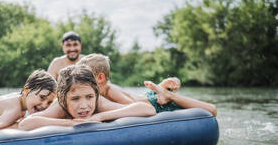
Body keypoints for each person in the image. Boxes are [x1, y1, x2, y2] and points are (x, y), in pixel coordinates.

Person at [18, 65, 156, 131]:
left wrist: (100, 117)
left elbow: (148, 109)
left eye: (89, 97)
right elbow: (25, 123)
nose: (84, 105)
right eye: (75, 99)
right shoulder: (60, 107)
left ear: (96, 94)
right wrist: (72, 123)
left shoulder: (99, 103)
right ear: (62, 98)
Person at [77, 53, 217, 116]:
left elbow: (135, 107)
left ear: (100, 78)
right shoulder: (98, 92)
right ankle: (162, 89)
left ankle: (167, 94)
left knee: (211, 111)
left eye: (84, 76)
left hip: (156, 103)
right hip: (148, 97)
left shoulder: (111, 91)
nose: (80, 80)